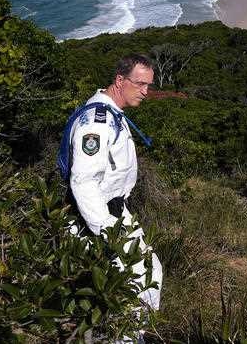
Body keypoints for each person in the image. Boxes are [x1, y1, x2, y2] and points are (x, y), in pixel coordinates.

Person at [65, 54, 162, 314]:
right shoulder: (97, 122)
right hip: (100, 218)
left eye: (149, 86)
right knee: (138, 283)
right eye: (140, 84)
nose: (145, 92)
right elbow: (83, 182)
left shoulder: (111, 113)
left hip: (116, 211)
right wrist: (109, 233)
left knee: (149, 275)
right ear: (120, 80)